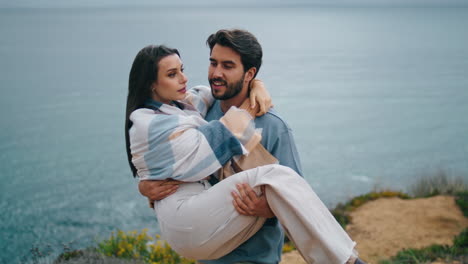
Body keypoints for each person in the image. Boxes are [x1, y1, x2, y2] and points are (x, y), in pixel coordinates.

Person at [127, 30, 365, 264]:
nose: (216, 73)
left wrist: (267, 207)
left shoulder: (273, 126)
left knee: (280, 179)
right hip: (211, 256)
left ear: (249, 73)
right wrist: (147, 186)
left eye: (228, 66)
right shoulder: (198, 116)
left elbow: (298, 195)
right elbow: (171, 159)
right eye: (213, 63)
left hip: (256, 257)